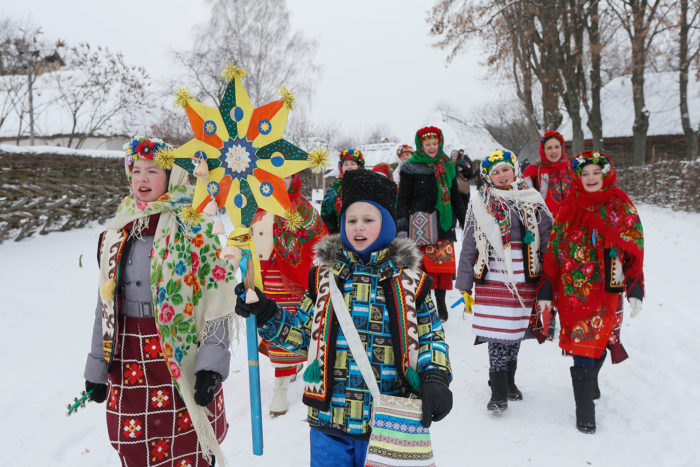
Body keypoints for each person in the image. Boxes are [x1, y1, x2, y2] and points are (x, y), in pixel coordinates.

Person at [236, 169, 453, 466]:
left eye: (368, 220)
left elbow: (431, 336)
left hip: (388, 419)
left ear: (387, 225)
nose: (358, 227)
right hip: (329, 420)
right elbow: (302, 336)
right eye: (351, 220)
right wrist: (266, 313)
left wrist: (435, 377)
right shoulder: (323, 279)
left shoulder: (411, 282)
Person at [83, 136, 237, 466]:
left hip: (178, 354)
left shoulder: (195, 226)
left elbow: (218, 298)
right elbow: (105, 302)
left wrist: (211, 365)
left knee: (187, 444)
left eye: (152, 170)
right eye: (136, 170)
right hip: (129, 358)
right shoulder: (117, 230)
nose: (141, 178)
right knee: (134, 441)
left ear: (171, 177)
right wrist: (97, 367)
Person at [537, 150, 644, 434]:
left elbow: (634, 246)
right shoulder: (568, 206)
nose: (590, 178)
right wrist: (547, 288)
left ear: (605, 174)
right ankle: (585, 411)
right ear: (577, 177)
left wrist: (637, 287)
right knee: (583, 345)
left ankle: (591, 379)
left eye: (596, 172)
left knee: (603, 340)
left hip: (608, 287)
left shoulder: (620, 205)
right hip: (574, 290)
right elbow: (555, 249)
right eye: (584, 174)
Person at [455, 149, 552, 412]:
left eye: (505, 170)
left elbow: (547, 239)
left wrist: (552, 277)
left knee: (516, 331)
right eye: (494, 172)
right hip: (493, 277)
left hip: (524, 277)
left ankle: (509, 380)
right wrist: (464, 281)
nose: (501, 175)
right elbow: (469, 244)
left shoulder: (532, 199)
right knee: (498, 333)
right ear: (488, 177)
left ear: (515, 171)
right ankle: (497, 391)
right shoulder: (481, 203)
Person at [251, 173, 328, 416]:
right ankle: (287, 371)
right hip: (263, 277)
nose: (280, 181)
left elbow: (320, 240)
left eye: (285, 176)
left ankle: (280, 388)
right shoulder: (255, 206)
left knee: (288, 326)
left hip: (294, 279)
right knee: (268, 327)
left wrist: (315, 268)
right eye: (274, 176)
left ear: (293, 179)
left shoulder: (304, 210)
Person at [397, 126, 466, 321]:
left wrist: (464, 220)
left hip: (443, 224)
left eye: (435, 143)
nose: (432, 147)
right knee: (422, 269)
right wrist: (401, 225)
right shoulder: (410, 168)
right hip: (419, 225)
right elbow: (402, 199)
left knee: (441, 267)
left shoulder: (448, 167)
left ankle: (441, 303)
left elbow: (455, 197)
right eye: (428, 144)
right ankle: (425, 305)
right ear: (421, 145)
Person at [522, 130, 575, 218]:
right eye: (549, 148)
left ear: (562, 148)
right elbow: (527, 202)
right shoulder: (533, 171)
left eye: (557, 147)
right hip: (544, 225)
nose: (554, 151)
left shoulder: (572, 169)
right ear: (543, 150)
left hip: (570, 223)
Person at [321, 149, 364, 235]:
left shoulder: (367, 184)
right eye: (346, 164)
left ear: (359, 166)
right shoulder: (335, 188)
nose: (349, 167)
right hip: (341, 234)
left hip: (365, 232)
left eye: (353, 164)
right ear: (341, 167)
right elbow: (327, 216)